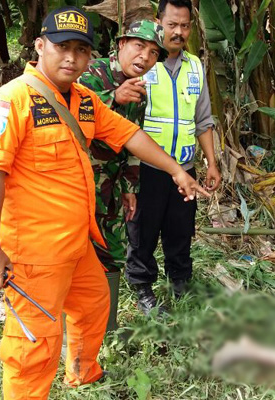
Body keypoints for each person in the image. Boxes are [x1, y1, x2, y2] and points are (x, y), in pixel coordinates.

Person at [0, 6, 208, 399]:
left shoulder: (84, 99)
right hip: (36, 250)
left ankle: (84, 374)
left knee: (94, 304)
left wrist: (176, 171)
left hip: (78, 241)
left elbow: (130, 135)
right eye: (62, 47)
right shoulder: (9, 101)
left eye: (81, 50)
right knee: (35, 341)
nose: (71, 58)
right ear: (39, 46)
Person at [125, 0, 221, 314]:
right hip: (148, 167)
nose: (178, 32)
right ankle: (142, 286)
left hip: (185, 166)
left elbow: (203, 120)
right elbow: (127, 122)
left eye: (185, 26)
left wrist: (212, 162)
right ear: (159, 22)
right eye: (172, 25)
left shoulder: (195, 66)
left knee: (181, 229)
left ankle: (180, 283)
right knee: (144, 229)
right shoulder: (144, 65)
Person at [78, 19, 167, 329]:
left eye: (154, 53)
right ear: (121, 44)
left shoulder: (140, 89)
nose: (145, 57)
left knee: (112, 250)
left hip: (114, 185)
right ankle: (75, 326)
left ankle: (107, 325)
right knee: (77, 251)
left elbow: (133, 138)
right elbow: (72, 118)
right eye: (139, 46)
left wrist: (130, 187)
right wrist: (113, 97)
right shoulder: (91, 74)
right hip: (82, 182)